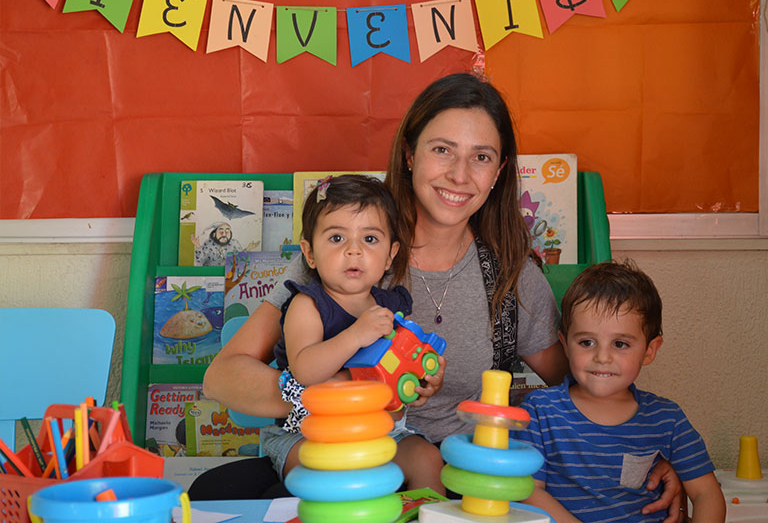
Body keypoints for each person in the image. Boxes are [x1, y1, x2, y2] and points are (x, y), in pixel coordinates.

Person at [198, 72, 683, 520]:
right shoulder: (346, 251)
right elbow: (222, 378)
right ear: (410, 154)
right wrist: (341, 394)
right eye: (442, 150)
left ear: (499, 171)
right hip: (335, 452)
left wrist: (646, 450)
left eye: (481, 157)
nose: (459, 174)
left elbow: (589, 386)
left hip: (454, 475)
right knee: (216, 494)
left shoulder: (513, 275)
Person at [512, 261, 725, 523]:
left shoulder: (667, 418)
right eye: (587, 342)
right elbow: (527, 492)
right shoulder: (539, 411)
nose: (602, 357)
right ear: (565, 345)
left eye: (620, 344)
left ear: (650, 350)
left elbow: (707, 494)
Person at [270, 173, 443, 492]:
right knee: (330, 476)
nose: (354, 251)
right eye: (337, 238)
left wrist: (421, 381)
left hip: (380, 431)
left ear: (391, 255)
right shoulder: (308, 305)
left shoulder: (391, 307)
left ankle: (428, 514)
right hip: (310, 433)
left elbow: (397, 370)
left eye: (370, 239)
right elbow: (305, 371)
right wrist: (355, 335)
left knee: (427, 459)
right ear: (309, 253)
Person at [192, 222, 259, 266]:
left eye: (227, 231)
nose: (224, 234)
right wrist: (197, 245)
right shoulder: (208, 243)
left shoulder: (234, 243)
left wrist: (248, 248)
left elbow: (239, 261)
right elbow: (199, 262)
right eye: (221, 231)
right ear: (214, 234)